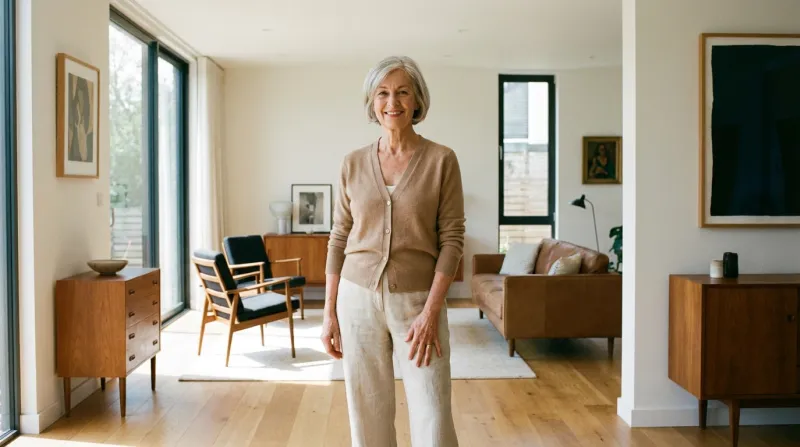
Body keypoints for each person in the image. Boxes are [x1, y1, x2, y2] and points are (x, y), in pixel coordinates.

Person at [321, 55, 465, 447]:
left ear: (417, 100)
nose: (392, 102)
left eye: (403, 92)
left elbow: (452, 240)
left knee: (432, 412)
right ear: (372, 102)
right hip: (356, 298)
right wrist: (329, 311)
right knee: (367, 412)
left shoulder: (441, 160)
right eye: (382, 93)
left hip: (418, 303)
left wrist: (432, 312)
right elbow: (339, 236)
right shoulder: (352, 163)